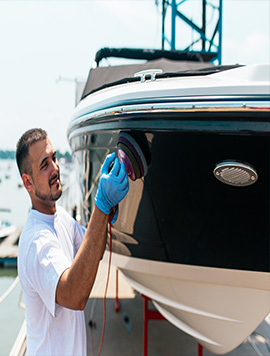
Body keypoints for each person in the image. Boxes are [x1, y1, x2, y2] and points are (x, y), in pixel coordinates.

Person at [16, 128, 129, 356]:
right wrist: (101, 206)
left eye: (55, 158)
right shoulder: (37, 241)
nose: (55, 168)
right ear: (27, 183)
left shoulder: (60, 217)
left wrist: (104, 215)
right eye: (44, 165)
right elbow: (74, 295)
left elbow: (93, 251)